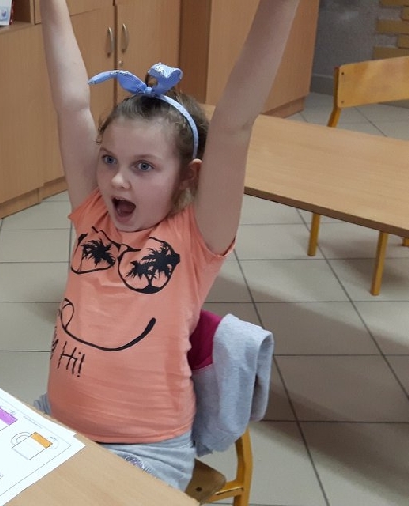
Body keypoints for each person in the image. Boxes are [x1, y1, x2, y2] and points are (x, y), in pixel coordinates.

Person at [38, 0, 300, 490]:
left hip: (146, 451)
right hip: (57, 423)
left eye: (144, 166)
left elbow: (235, 125)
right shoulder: (93, 213)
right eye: (109, 159)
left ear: (188, 177)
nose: (117, 180)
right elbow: (71, 104)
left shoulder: (195, 239)